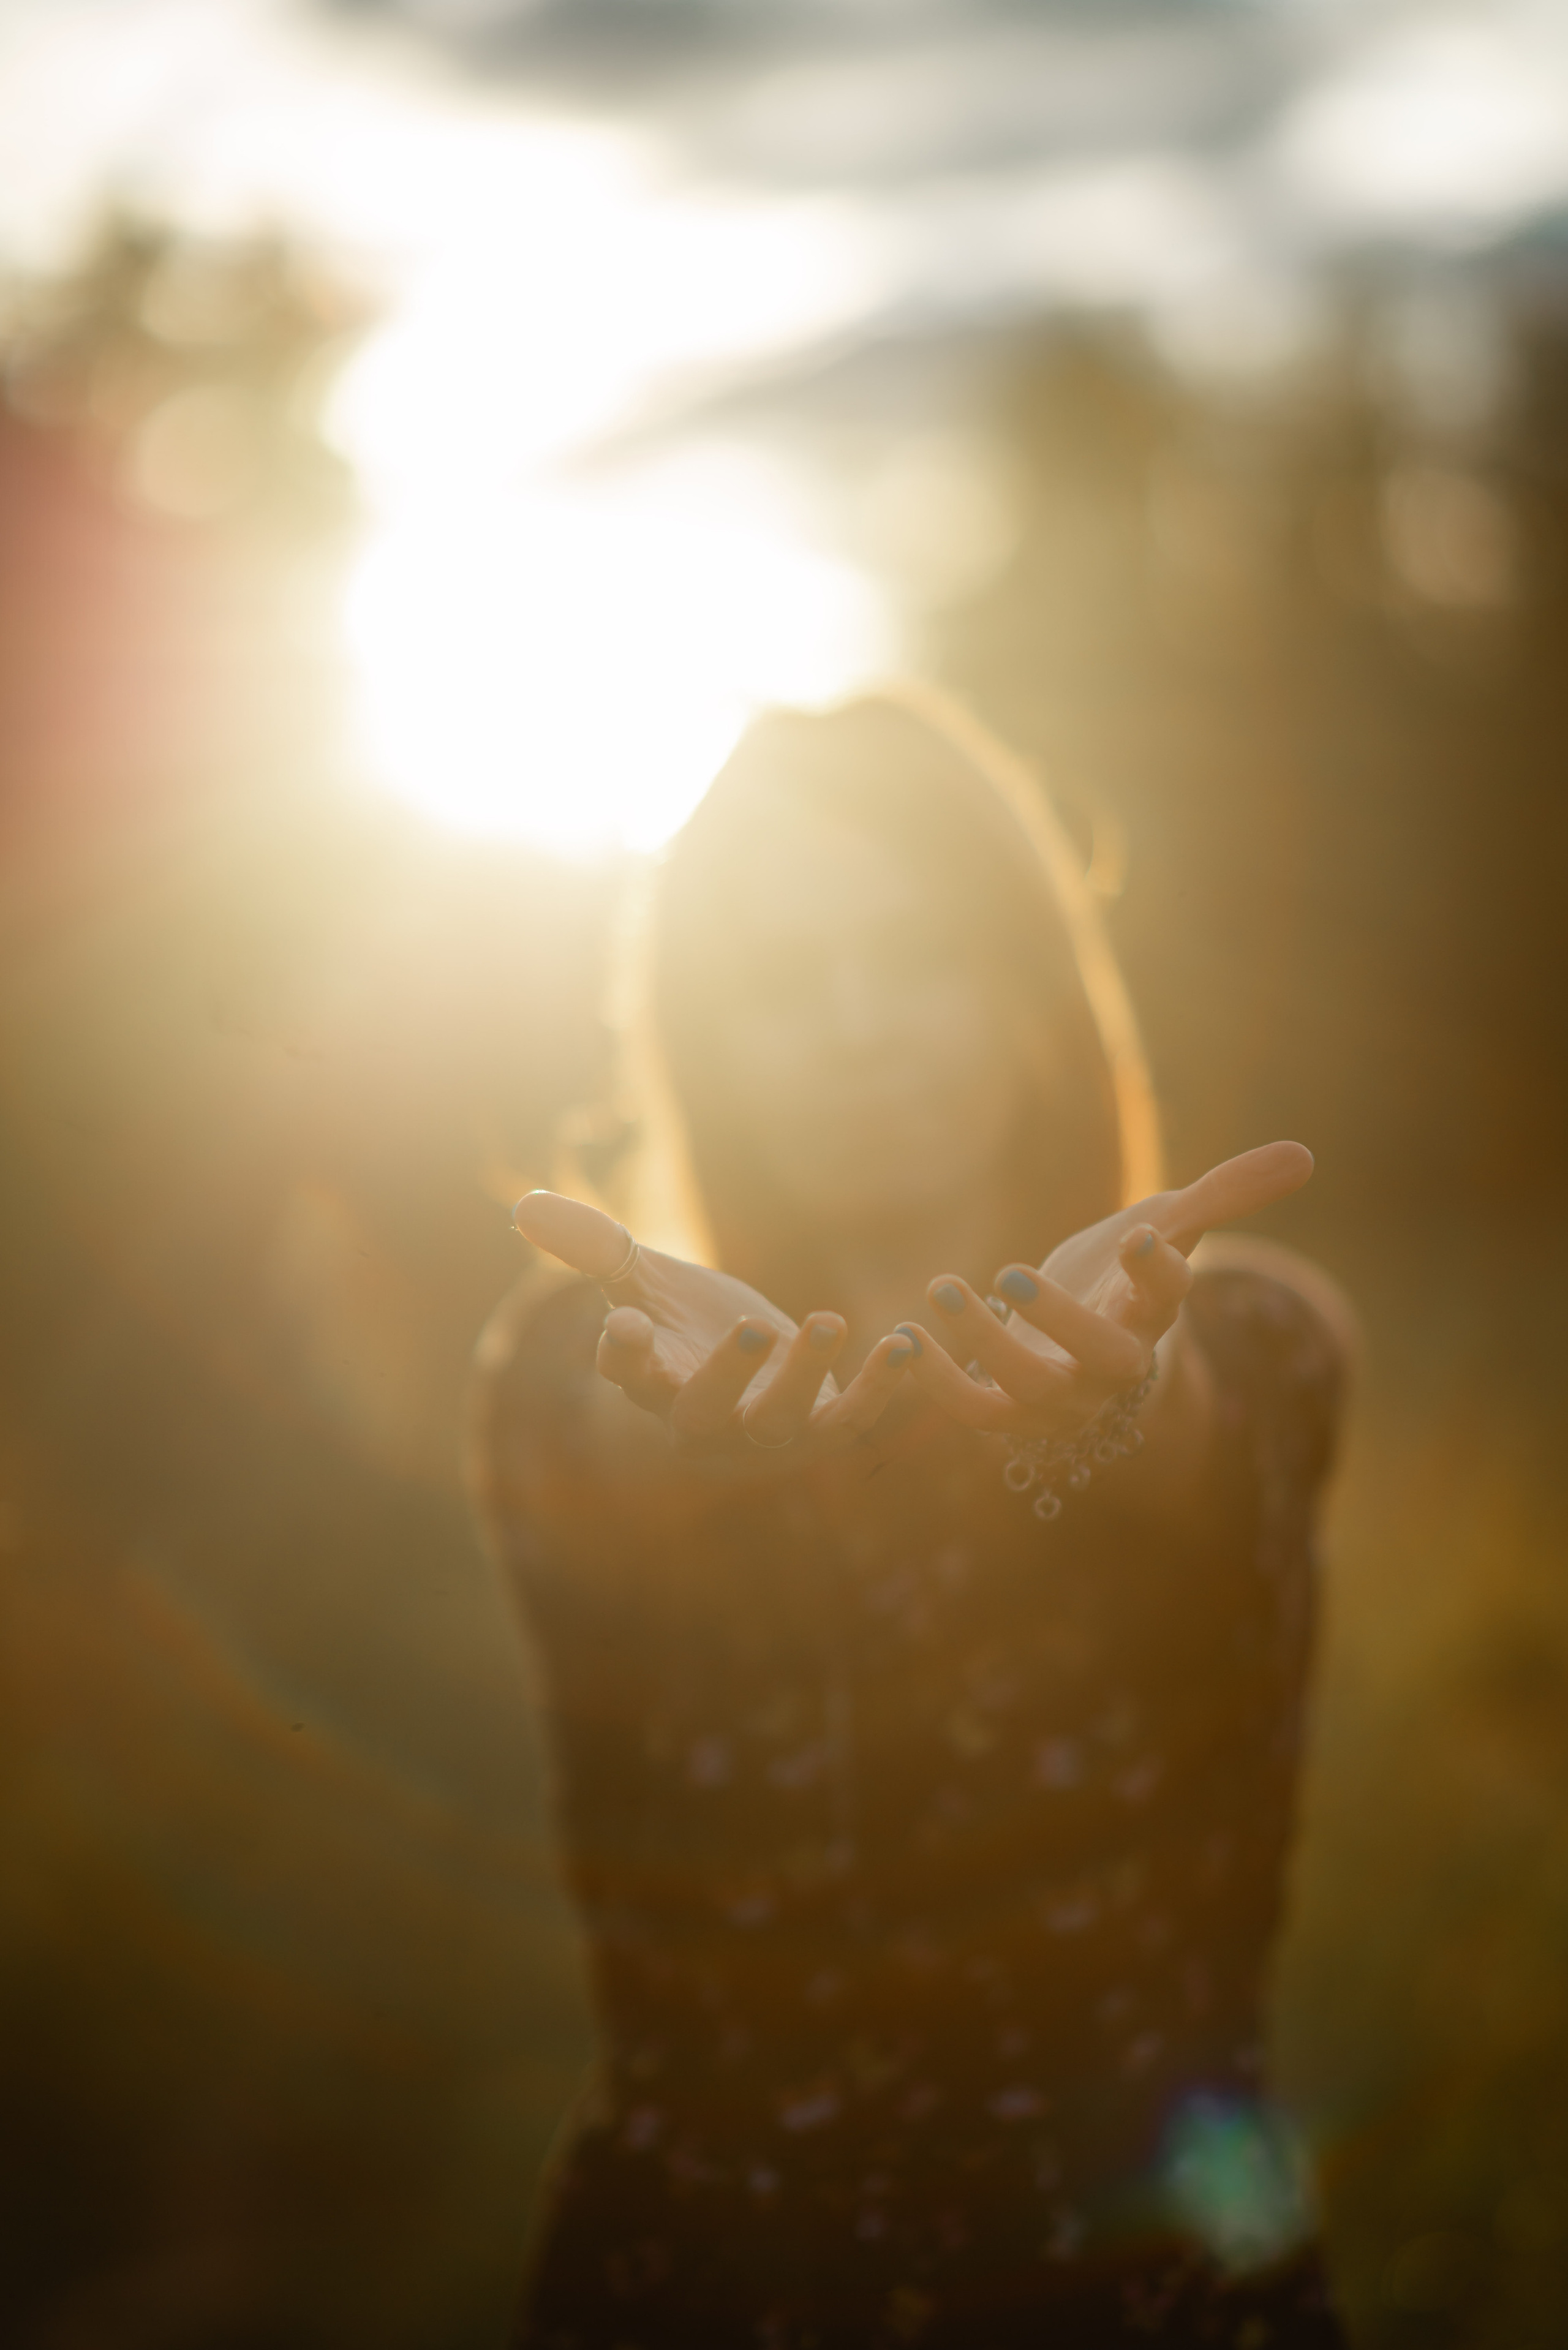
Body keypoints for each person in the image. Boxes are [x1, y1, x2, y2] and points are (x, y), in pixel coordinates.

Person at [473, 688, 1353, 2349]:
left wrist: (1105, 1399)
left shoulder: (1250, 1340)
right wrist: (707, 1437)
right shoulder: (567, 1370)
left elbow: (1187, 1447)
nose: (860, 1023)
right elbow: (613, 1448)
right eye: (785, 983)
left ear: (1037, 989)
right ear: (700, 1042)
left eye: (919, 953)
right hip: (710, 2297)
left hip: (1160, 2285)